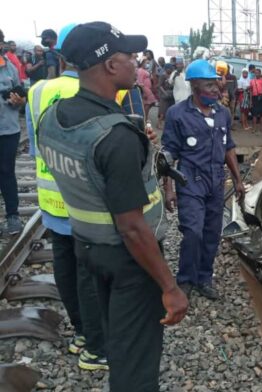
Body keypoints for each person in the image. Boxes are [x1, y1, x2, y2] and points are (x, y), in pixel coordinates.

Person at [37, 21, 188, 390]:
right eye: (130, 57)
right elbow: (132, 227)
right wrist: (169, 286)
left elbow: (88, 171)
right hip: (130, 262)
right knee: (136, 365)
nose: (136, 64)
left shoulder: (52, 119)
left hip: (87, 249)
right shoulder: (115, 137)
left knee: (118, 344)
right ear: (109, 65)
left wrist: (131, 132)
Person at [26, 22, 107, 370]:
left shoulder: (38, 92)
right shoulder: (101, 91)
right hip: (84, 202)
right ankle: (94, 346)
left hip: (50, 198)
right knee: (89, 272)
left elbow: (35, 149)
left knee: (65, 265)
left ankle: (79, 333)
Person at [162, 58, 245, 301]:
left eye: (217, 85)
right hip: (190, 182)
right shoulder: (177, 114)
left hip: (216, 181)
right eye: (210, 86)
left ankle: (204, 278)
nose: (217, 90)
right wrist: (169, 190)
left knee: (211, 233)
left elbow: (228, 147)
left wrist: (237, 180)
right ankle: (185, 279)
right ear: (196, 87)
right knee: (193, 232)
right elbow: (168, 156)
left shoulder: (223, 113)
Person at [0, 41, 26, 235]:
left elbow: (20, 95)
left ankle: (12, 216)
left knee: (6, 171)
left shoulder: (10, 67)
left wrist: (19, 100)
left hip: (8, 129)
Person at [157, 63, 175, 128]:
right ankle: (159, 123)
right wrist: (164, 93)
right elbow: (159, 86)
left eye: (171, 69)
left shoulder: (172, 76)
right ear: (166, 69)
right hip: (164, 95)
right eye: (169, 69)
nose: (170, 70)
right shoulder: (163, 76)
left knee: (170, 110)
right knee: (162, 110)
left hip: (171, 95)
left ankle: (167, 124)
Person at [250, 68, 262, 133]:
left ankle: (261, 128)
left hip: (261, 98)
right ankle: (254, 128)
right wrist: (251, 100)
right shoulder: (252, 81)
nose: (256, 74)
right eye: (255, 73)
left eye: (258, 73)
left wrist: (261, 75)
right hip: (254, 98)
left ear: (260, 73)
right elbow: (251, 91)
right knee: (254, 114)